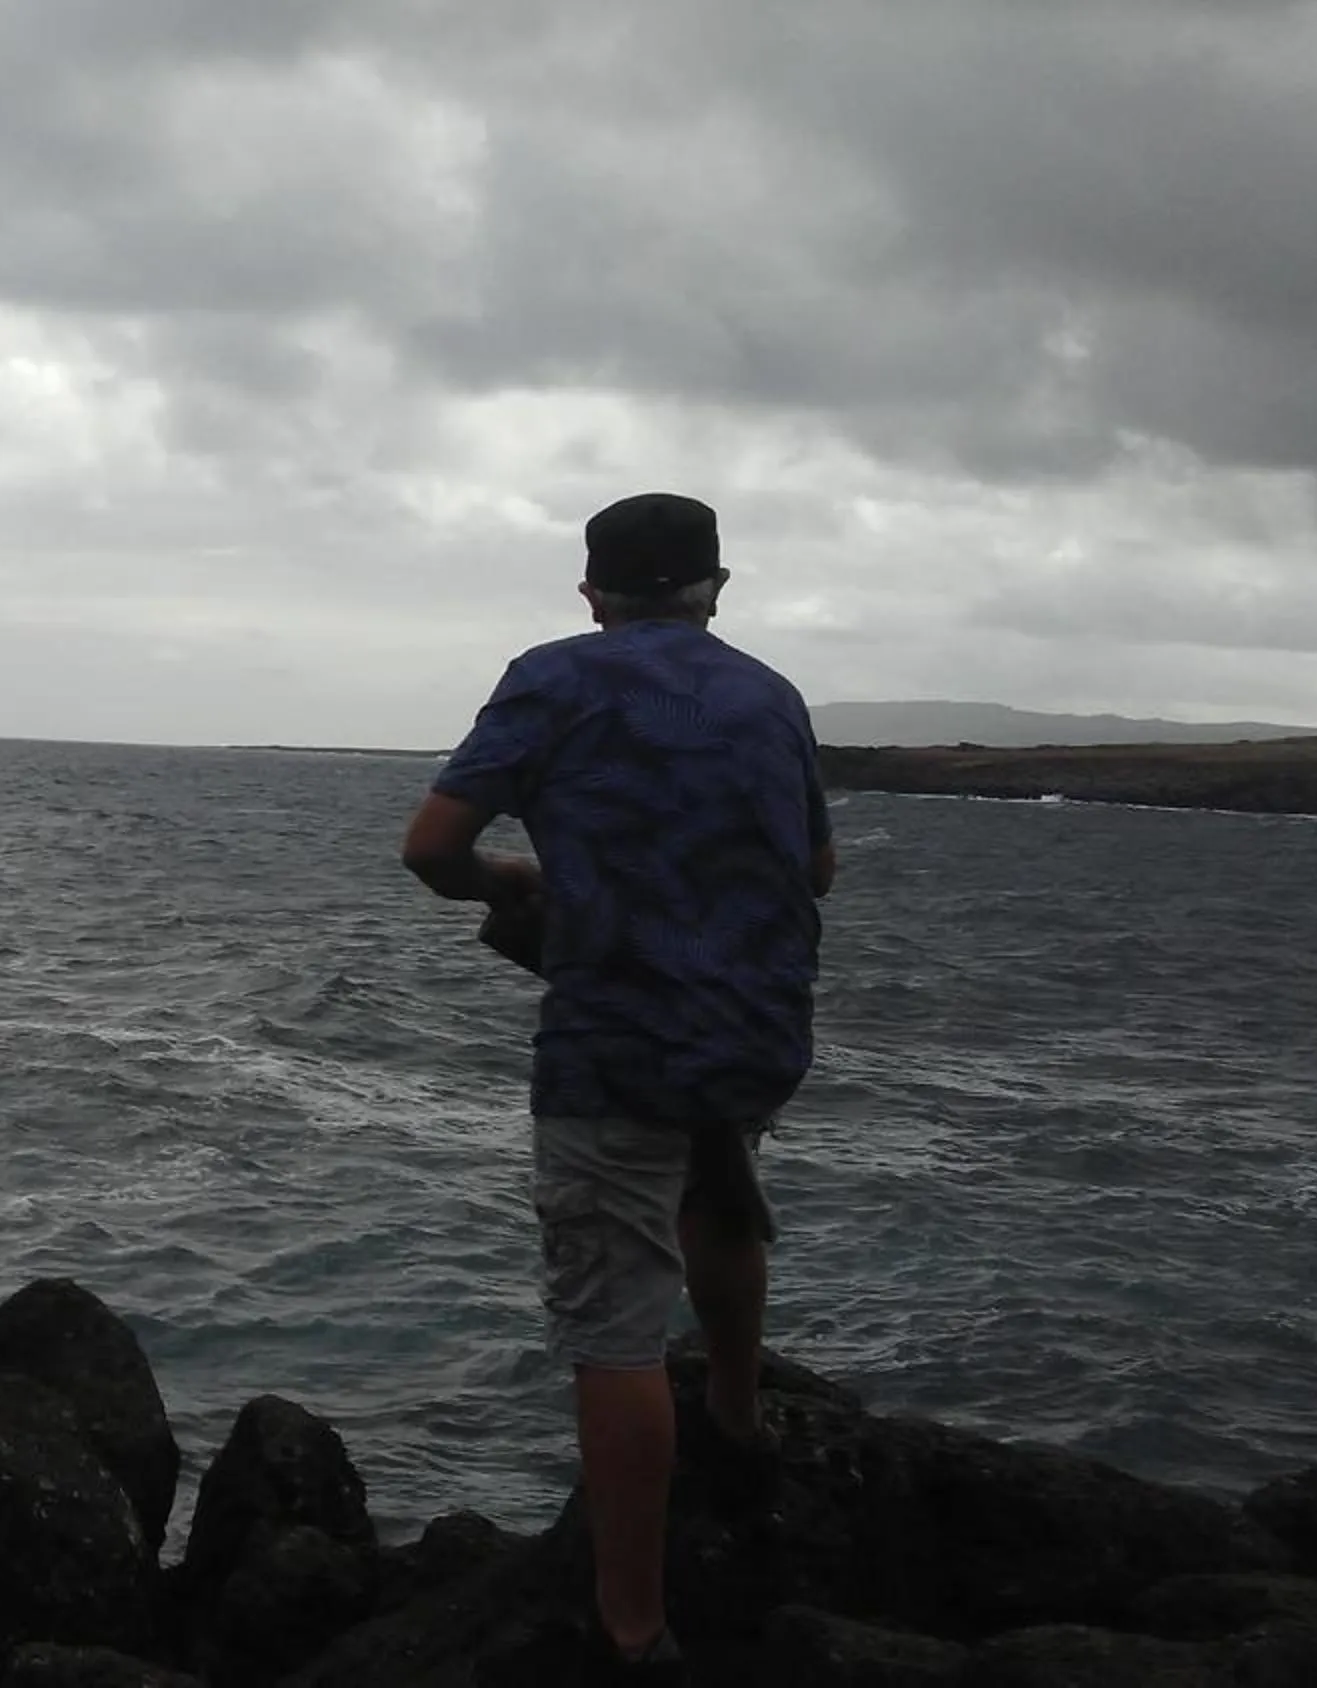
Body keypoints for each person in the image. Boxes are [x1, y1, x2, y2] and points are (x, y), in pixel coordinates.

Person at [399, 493, 835, 1683]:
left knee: (617, 1329)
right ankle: (739, 1420)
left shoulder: (555, 678)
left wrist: (512, 880)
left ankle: (632, 1627)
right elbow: (818, 867)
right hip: (755, 1023)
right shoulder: (772, 695)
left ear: (590, 593)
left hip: (615, 1040)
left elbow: (431, 849)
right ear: (717, 586)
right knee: (719, 1175)